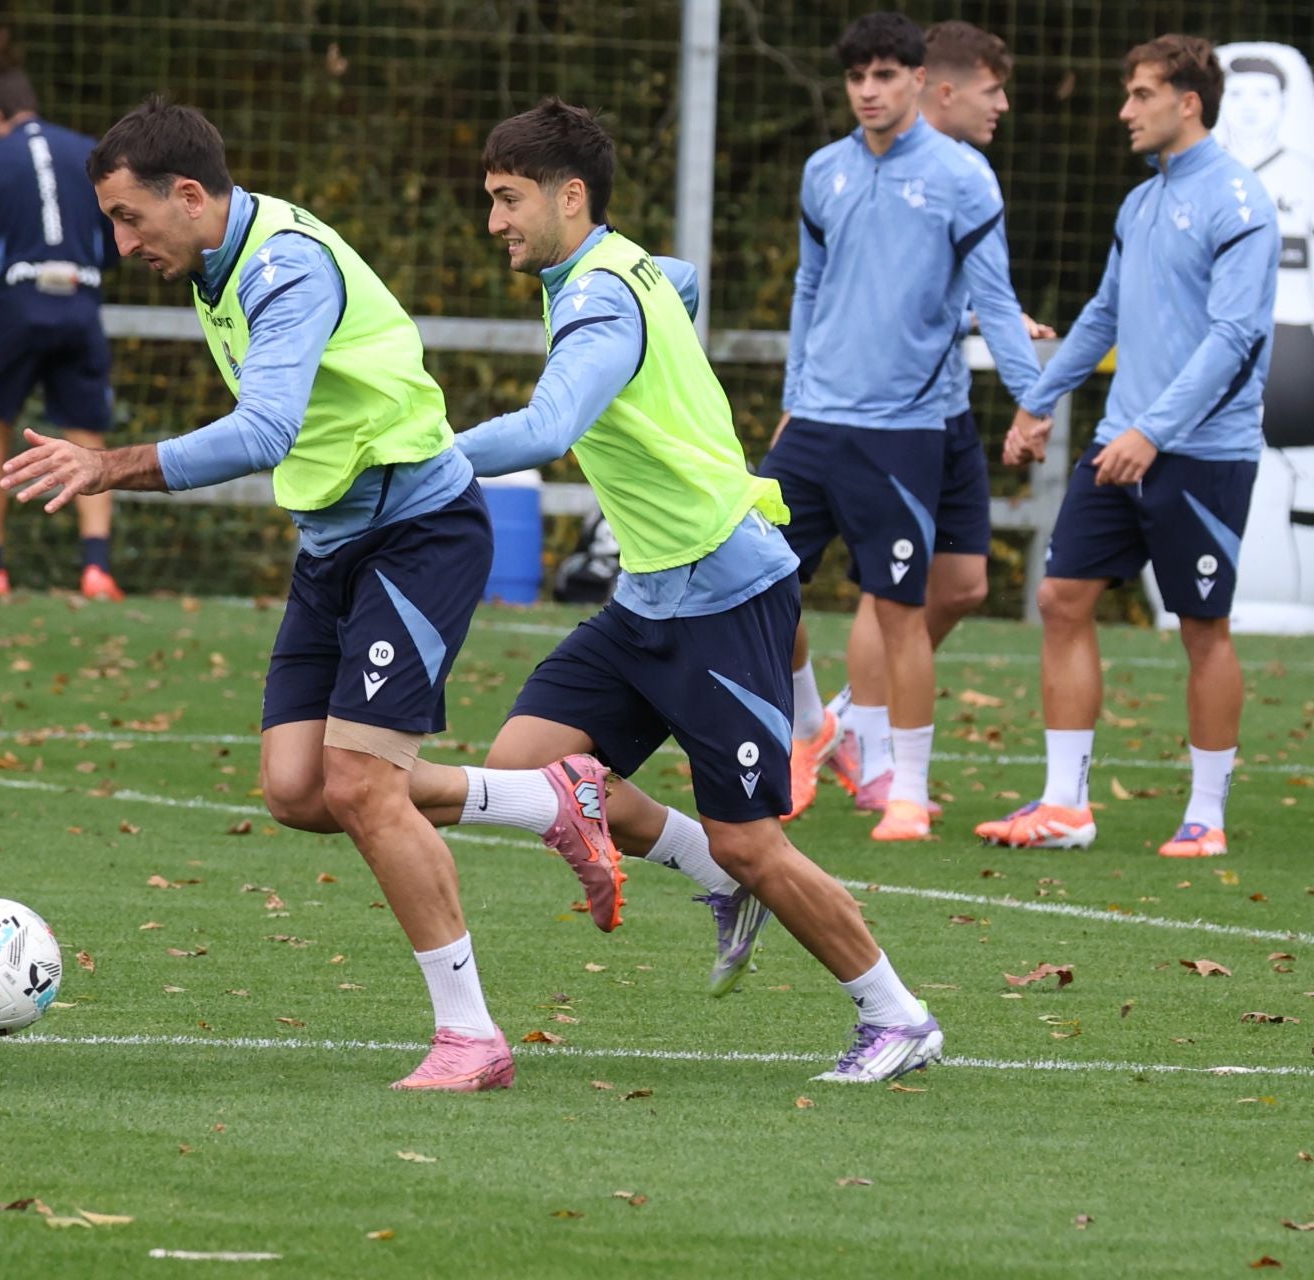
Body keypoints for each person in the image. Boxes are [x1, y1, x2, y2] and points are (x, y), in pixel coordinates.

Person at [4, 97, 622, 1093]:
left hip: (417, 532)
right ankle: (547, 796)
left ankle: (472, 1036)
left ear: (192, 195)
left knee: (362, 783)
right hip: (337, 541)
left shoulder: (285, 267)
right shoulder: (215, 261)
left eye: (130, 218)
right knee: (297, 785)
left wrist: (112, 464)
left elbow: (264, 431)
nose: (122, 244)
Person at [444, 98, 940, 1083]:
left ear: (568, 194)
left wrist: (424, 458)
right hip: (651, 597)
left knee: (756, 840)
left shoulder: (598, 295)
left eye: (507, 199)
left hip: (728, 595)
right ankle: (707, 869)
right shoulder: (618, 270)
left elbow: (549, 427)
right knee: (526, 766)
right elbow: (684, 278)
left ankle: (899, 1015)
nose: (493, 219)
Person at [982, 35, 1279, 857]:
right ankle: (1064, 805)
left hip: (1203, 451)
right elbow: (1104, 317)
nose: (1125, 110)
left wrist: (1157, 431)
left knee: (1201, 627)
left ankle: (1207, 816)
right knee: (1061, 600)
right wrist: (1037, 404)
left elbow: (1235, 340)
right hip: (1122, 442)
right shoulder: (1139, 203)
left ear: (1188, 102)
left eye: (1141, 94)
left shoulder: (1240, 203)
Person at [764, 12, 1040, 842]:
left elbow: (995, 300)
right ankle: (812, 727)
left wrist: (1032, 400)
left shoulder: (964, 177)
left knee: (900, 608)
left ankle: (906, 791)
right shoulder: (824, 172)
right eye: (857, 79)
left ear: (919, 80)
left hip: (904, 429)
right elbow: (810, 290)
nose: (869, 92)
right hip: (814, 419)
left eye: (885, 76)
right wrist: (793, 390)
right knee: (754, 579)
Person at [0, 69, 123, 601]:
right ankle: (96, 571)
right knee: (88, 433)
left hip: (19, 305)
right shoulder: (90, 155)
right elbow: (117, 241)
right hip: (79, 301)